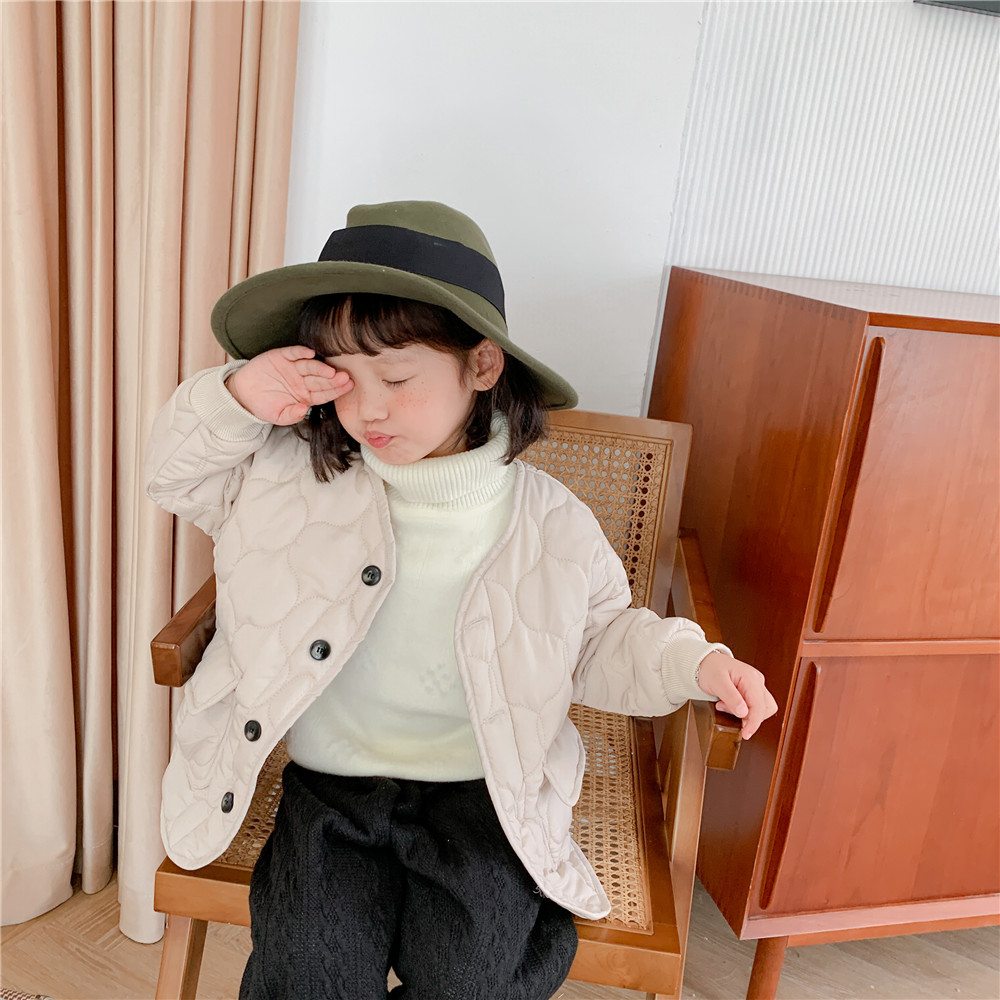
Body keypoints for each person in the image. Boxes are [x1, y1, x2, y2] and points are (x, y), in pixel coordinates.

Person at [145, 200, 778, 1000]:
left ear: (481, 366)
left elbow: (601, 640)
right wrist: (239, 394)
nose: (367, 409)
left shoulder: (550, 521)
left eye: (396, 378)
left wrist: (698, 663)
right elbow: (175, 473)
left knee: (474, 978)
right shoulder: (284, 478)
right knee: (307, 974)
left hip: (484, 794)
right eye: (342, 379)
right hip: (329, 791)